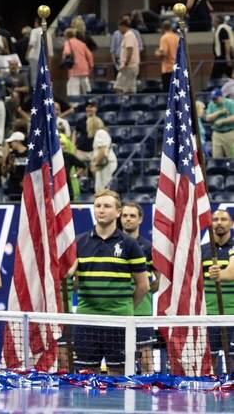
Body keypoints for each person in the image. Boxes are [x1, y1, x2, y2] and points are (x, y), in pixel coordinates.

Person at [69, 190, 148, 375]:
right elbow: (73, 283)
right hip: (86, 320)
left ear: (118, 211)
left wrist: (124, 307)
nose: (101, 210)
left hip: (119, 322)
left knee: (120, 376)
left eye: (107, 206)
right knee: (85, 379)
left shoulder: (130, 244)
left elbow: (143, 286)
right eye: (97, 206)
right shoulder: (79, 243)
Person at [120, 203, 158, 374]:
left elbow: (160, 280)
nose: (128, 219)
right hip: (118, 312)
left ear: (140, 219)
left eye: (132, 216)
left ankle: (146, 399)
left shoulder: (149, 247)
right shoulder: (114, 244)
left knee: (146, 359)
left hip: (142, 313)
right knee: (119, 360)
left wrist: (145, 291)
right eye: (125, 215)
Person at [203, 209, 234, 370]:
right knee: (210, 361)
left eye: (223, 219)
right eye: (215, 219)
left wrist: (219, 274)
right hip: (209, 316)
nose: (219, 222)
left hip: (233, 317)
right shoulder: (202, 250)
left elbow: (231, 272)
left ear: (232, 224)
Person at [62, 28, 94, 97]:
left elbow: (67, 52)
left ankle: (75, 105)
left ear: (66, 36)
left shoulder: (68, 43)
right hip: (84, 69)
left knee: (73, 90)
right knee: (86, 89)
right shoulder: (82, 43)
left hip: (74, 69)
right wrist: (91, 66)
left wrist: (64, 58)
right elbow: (90, 55)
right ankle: (89, 104)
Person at [89, 120, 117, 193]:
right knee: (101, 189)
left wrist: (95, 164)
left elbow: (102, 150)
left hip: (105, 164)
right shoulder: (101, 133)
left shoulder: (100, 132)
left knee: (102, 190)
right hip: (103, 164)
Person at [115, 17, 140, 94]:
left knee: (124, 89)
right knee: (123, 88)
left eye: (119, 28)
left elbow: (130, 50)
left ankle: (127, 105)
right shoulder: (129, 35)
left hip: (129, 67)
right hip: (128, 66)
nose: (119, 30)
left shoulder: (129, 35)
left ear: (123, 26)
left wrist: (125, 64)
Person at [206, 89, 234, 158]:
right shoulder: (211, 104)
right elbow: (208, 118)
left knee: (231, 157)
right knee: (216, 157)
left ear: (221, 96)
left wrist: (223, 121)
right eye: (213, 99)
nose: (214, 101)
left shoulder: (230, 103)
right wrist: (219, 112)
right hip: (216, 134)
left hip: (229, 133)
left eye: (216, 99)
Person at [155, 21, 181, 93]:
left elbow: (164, 53)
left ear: (163, 28)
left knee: (168, 94)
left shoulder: (164, 38)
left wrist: (157, 53)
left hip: (168, 70)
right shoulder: (177, 37)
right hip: (178, 69)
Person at [3, 131, 28, 201]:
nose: (11, 144)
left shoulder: (29, 153)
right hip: (13, 186)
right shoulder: (11, 155)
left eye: (12, 142)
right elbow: (5, 171)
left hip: (27, 185)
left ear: (18, 141)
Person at [212, 15, 233, 80]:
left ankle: (211, 88)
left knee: (215, 76)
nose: (212, 22)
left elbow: (227, 42)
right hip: (221, 58)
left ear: (216, 22)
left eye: (213, 21)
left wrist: (227, 57)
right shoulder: (220, 29)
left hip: (222, 58)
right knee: (228, 73)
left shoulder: (222, 29)